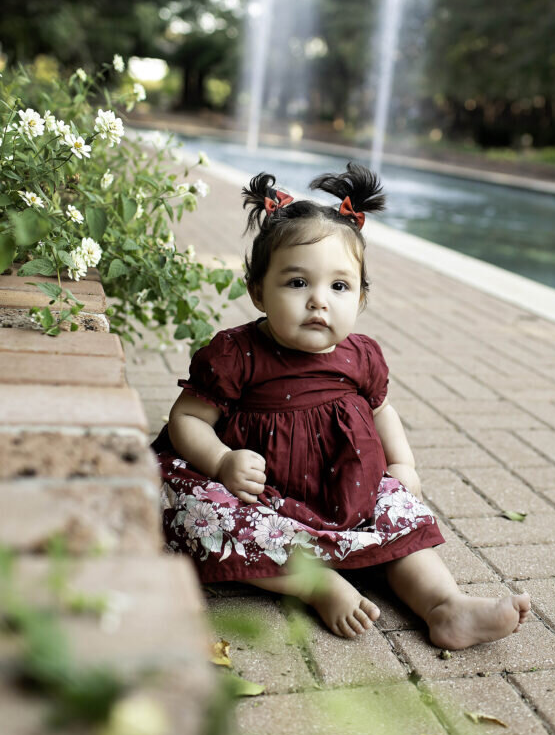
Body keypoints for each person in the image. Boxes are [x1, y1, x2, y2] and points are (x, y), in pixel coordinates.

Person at [153, 162, 530, 648]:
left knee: (397, 513)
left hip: (345, 489)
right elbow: (186, 418)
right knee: (197, 513)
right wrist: (221, 461)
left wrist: (401, 464)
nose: (318, 302)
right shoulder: (236, 353)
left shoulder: (361, 354)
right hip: (258, 496)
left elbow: (380, 411)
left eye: (338, 286)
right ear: (257, 292)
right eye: (296, 284)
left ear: (361, 297)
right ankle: (315, 583)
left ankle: (444, 605)